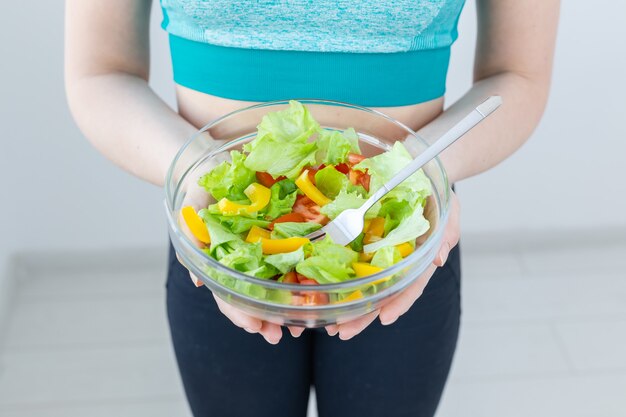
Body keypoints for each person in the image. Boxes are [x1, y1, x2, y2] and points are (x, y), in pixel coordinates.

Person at [65, 1, 559, 416]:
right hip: (224, 256)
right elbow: (101, 70)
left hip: (398, 255)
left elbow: (517, 73)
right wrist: (199, 176)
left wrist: (426, 175)